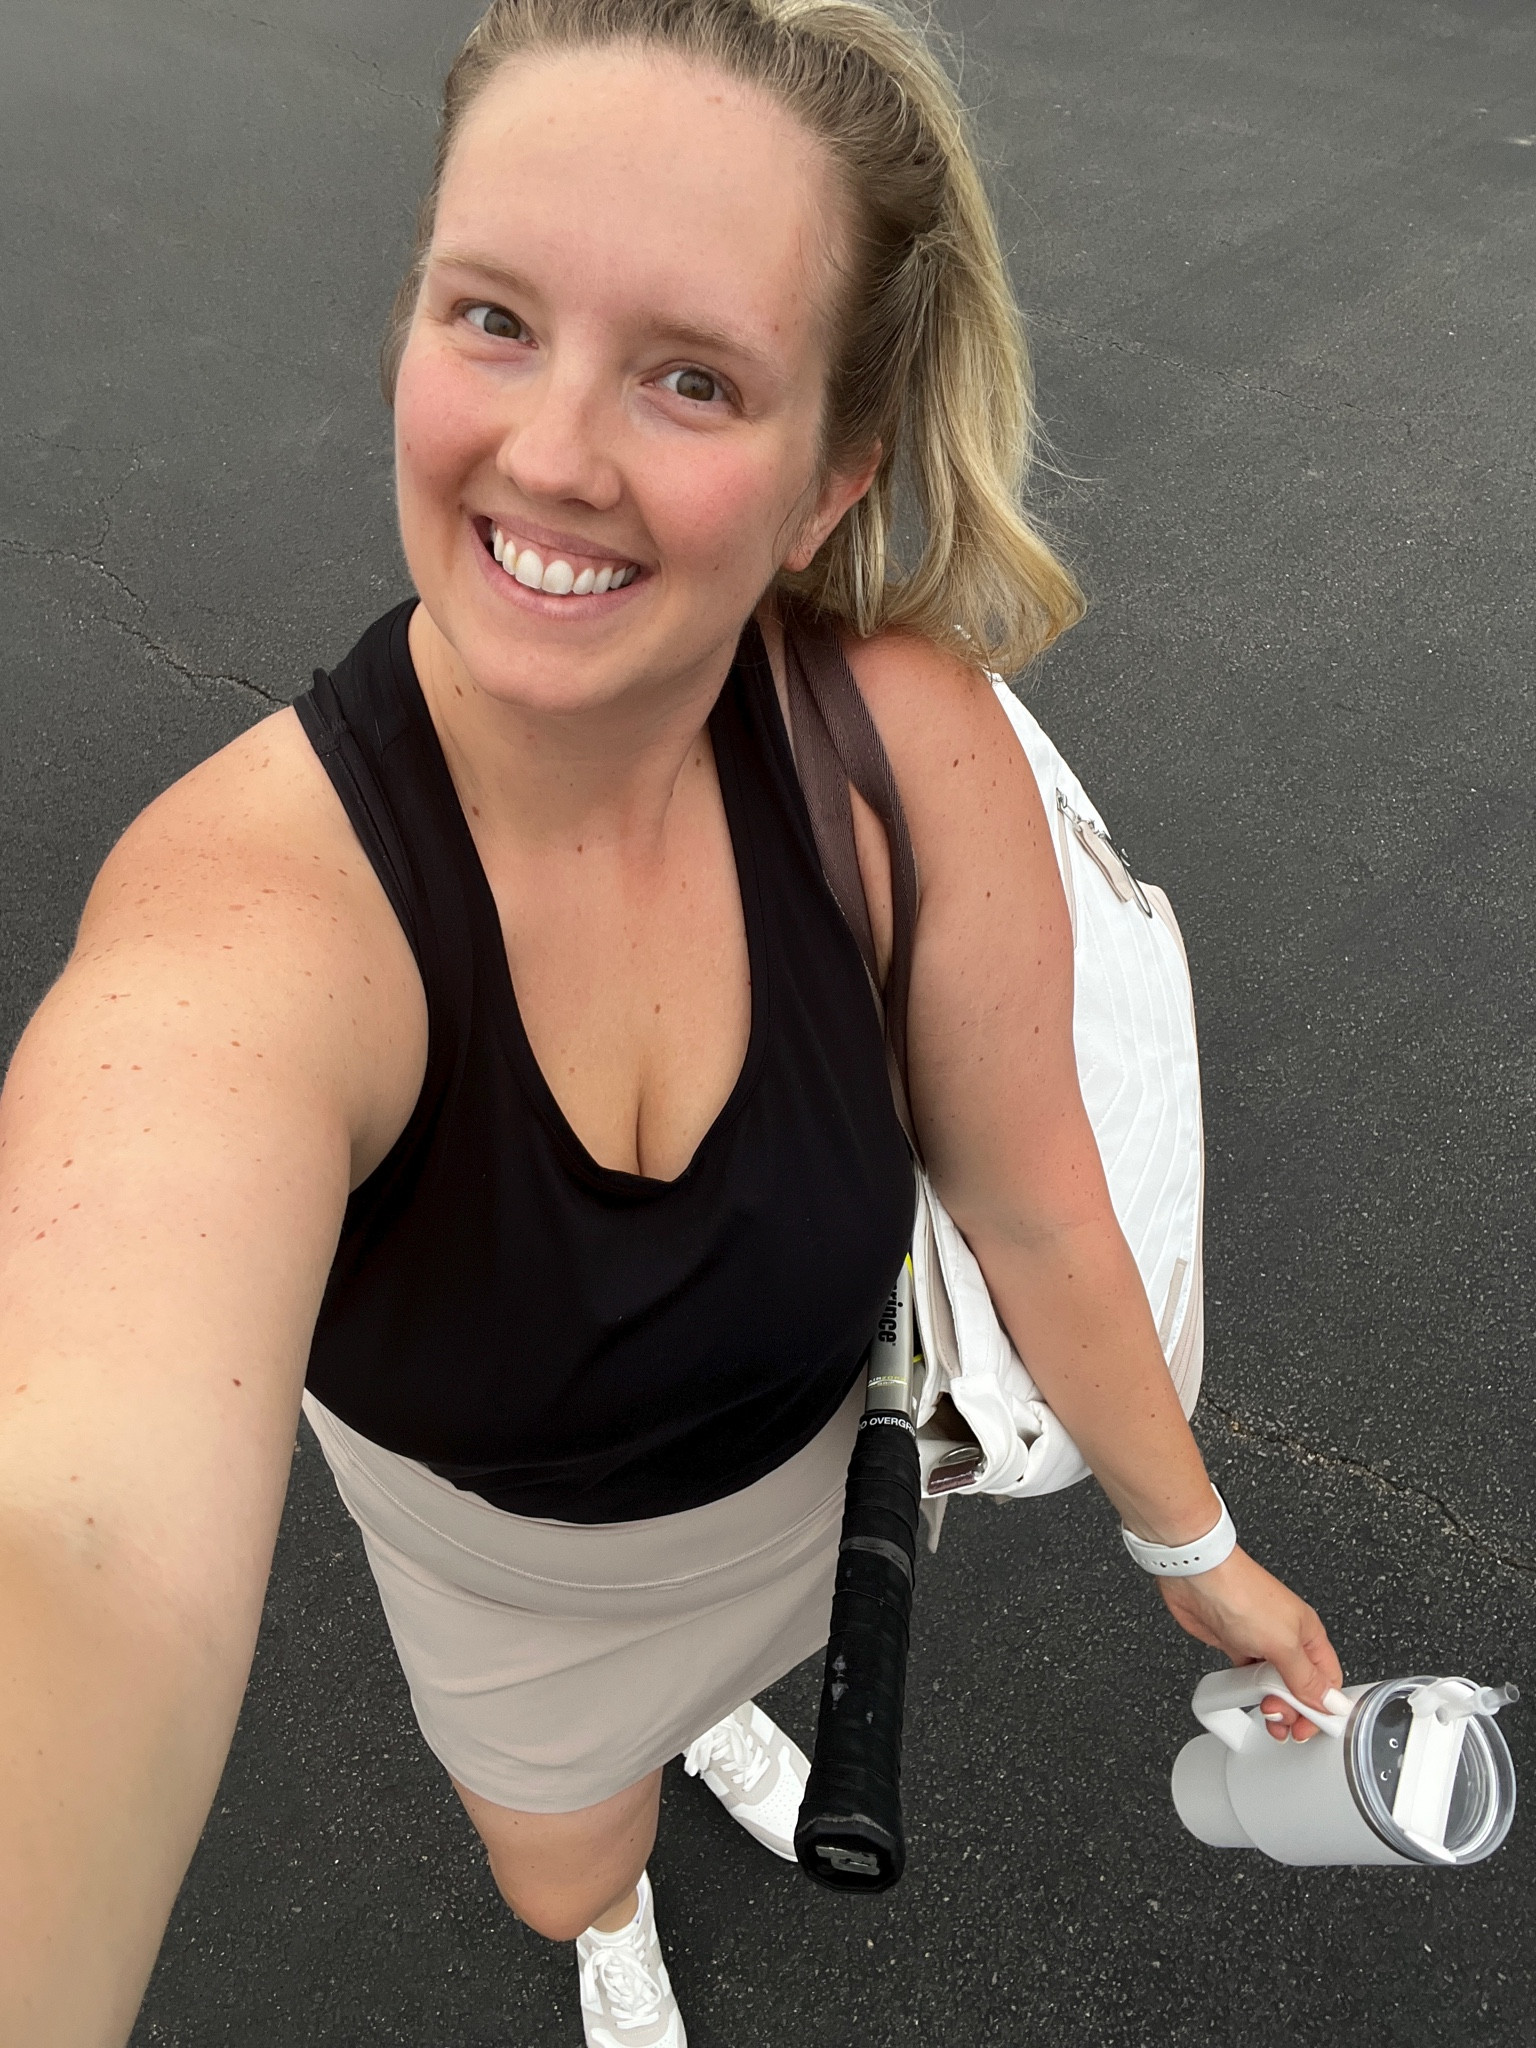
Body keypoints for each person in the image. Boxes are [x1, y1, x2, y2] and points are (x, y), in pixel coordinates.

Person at [0, 1, 1344, 2042]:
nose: (551, 453)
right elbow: (72, 1537)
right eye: (493, 318)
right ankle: (614, 1903)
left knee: (729, 1677)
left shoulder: (904, 760)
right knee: (563, 1860)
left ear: (828, 483)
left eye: (692, 375)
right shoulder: (248, 925)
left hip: (808, 1500)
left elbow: (1035, 1203)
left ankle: (709, 1711)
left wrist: (1197, 1541)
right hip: (520, 1591)